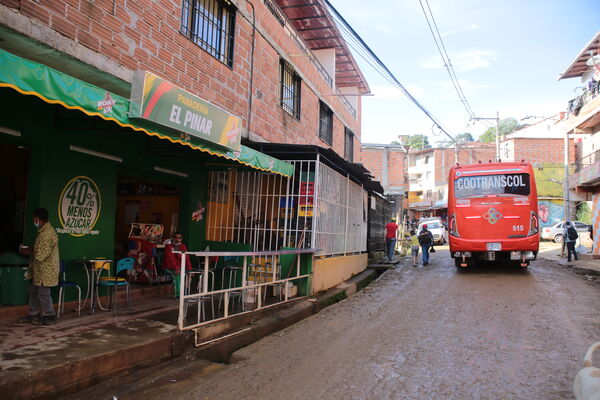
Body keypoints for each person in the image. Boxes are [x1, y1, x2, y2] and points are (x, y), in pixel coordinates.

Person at [19, 208, 60, 325]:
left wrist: (27, 251)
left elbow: (40, 255)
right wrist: (30, 249)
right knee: (32, 290)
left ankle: (50, 315)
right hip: (40, 271)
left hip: (46, 271)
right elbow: (40, 249)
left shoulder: (47, 233)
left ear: (37, 218)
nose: (34, 220)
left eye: (34, 218)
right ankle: (33, 314)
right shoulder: (43, 231)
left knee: (43, 293)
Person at [163, 232, 192, 297]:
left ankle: (185, 293)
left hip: (180, 267)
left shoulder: (183, 246)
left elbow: (186, 258)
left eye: (179, 238)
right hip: (169, 267)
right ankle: (178, 295)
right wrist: (176, 268)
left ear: (181, 239)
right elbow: (170, 259)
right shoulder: (169, 247)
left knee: (188, 274)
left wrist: (189, 269)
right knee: (178, 274)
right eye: (175, 238)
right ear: (172, 238)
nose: (177, 239)